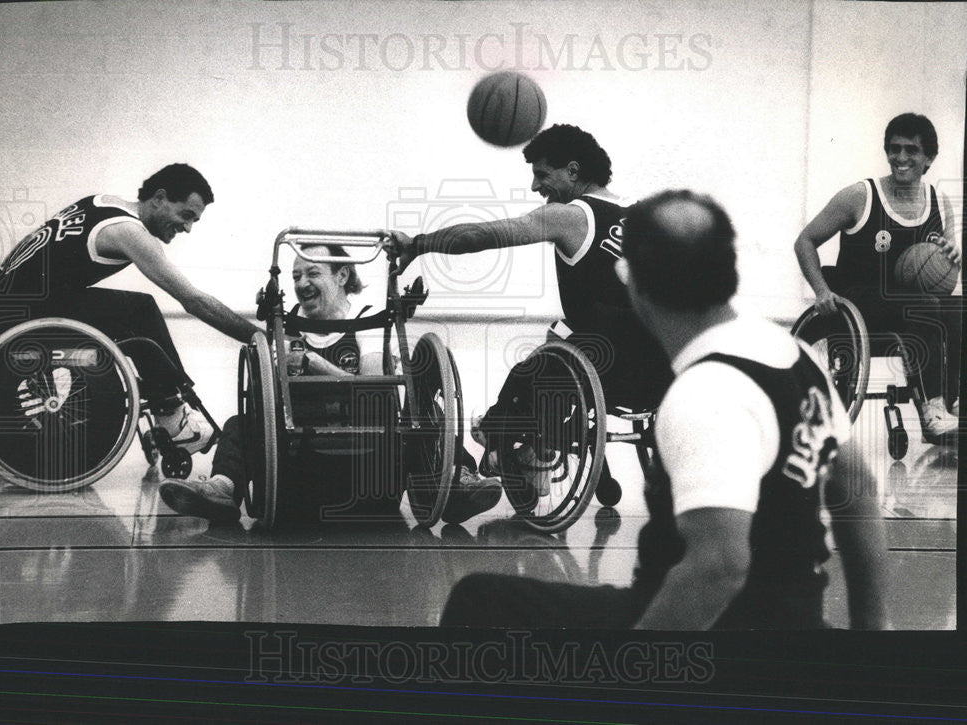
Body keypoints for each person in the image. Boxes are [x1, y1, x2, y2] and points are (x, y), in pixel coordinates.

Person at [440, 190, 890, 630]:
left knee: (477, 600)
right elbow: (859, 488)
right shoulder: (793, 354)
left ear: (634, 284)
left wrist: (635, 677)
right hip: (797, 618)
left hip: (725, 634)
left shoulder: (704, 391)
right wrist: (872, 628)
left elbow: (719, 569)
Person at [395, 123, 673, 501]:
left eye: (542, 175)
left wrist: (422, 244)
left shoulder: (573, 215)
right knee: (563, 336)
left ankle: (503, 438)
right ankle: (534, 449)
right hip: (658, 375)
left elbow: (486, 235)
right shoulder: (647, 217)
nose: (535, 187)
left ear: (572, 171)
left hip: (603, 367)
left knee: (546, 358)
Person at [159, 244, 502, 526]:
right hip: (302, 470)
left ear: (341, 275)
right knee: (242, 422)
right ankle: (223, 489)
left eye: (312, 272)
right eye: (295, 276)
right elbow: (274, 401)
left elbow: (373, 390)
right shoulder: (285, 325)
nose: (301, 282)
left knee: (422, 405)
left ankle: (458, 483)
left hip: (370, 469)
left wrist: (314, 364)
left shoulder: (369, 318)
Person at [0, 163, 263, 452]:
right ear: (159, 198)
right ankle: (173, 417)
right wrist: (259, 338)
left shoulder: (101, 202)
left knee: (126, 311)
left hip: (7, 306)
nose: (187, 228)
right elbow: (194, 301)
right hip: (21, 317)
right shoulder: (129, 232)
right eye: (186, 216)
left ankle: (161, 399)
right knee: (139, 309)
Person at [794, 113, 961, 441]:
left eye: (911, 150)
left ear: (929, 158)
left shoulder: (940, 204)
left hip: (912, 304)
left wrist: (952, 255)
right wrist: (821, 290)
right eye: (894, 149)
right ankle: (932, 411)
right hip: (858, 299)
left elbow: (948, 272)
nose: (900, 158)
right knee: (923, 303)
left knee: (959, 309)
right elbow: (804, 241)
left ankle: (952, 403)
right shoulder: (860, 197)